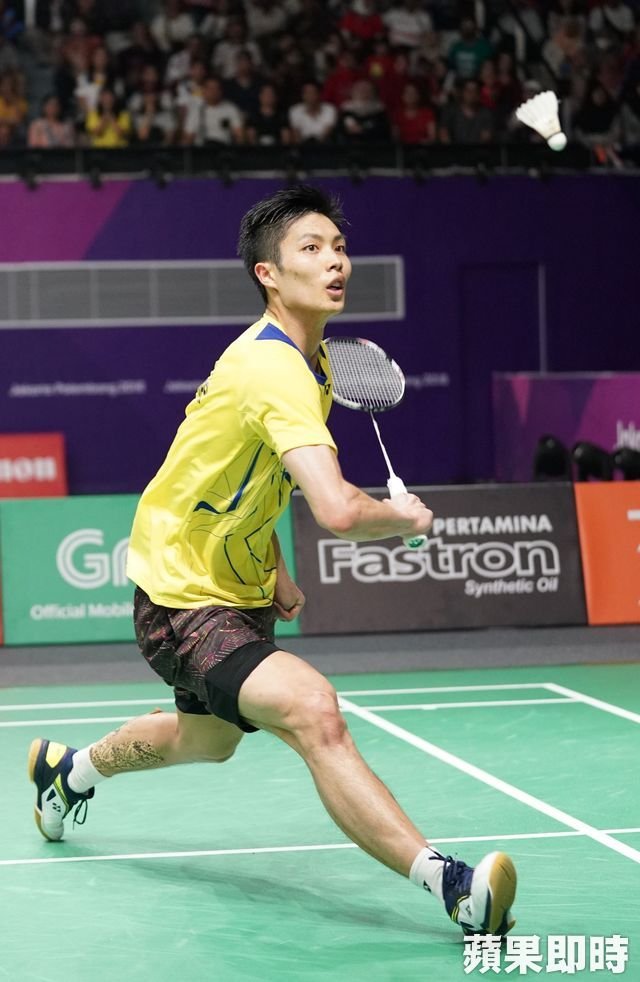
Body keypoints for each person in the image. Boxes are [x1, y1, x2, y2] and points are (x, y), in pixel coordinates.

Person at [28, 185, 517, 940]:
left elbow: (251, 474)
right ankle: (452, 886)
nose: (335, 263)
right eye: (311, 250)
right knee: (313, 710)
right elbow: (340, 510)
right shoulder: (275, 370)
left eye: (339, 248)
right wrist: (406, 519)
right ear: (268, 273)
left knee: (208, 741)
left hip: (235, 578)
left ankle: (69, 773)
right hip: (182, 591)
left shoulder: (313, 364)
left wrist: (275, 565)